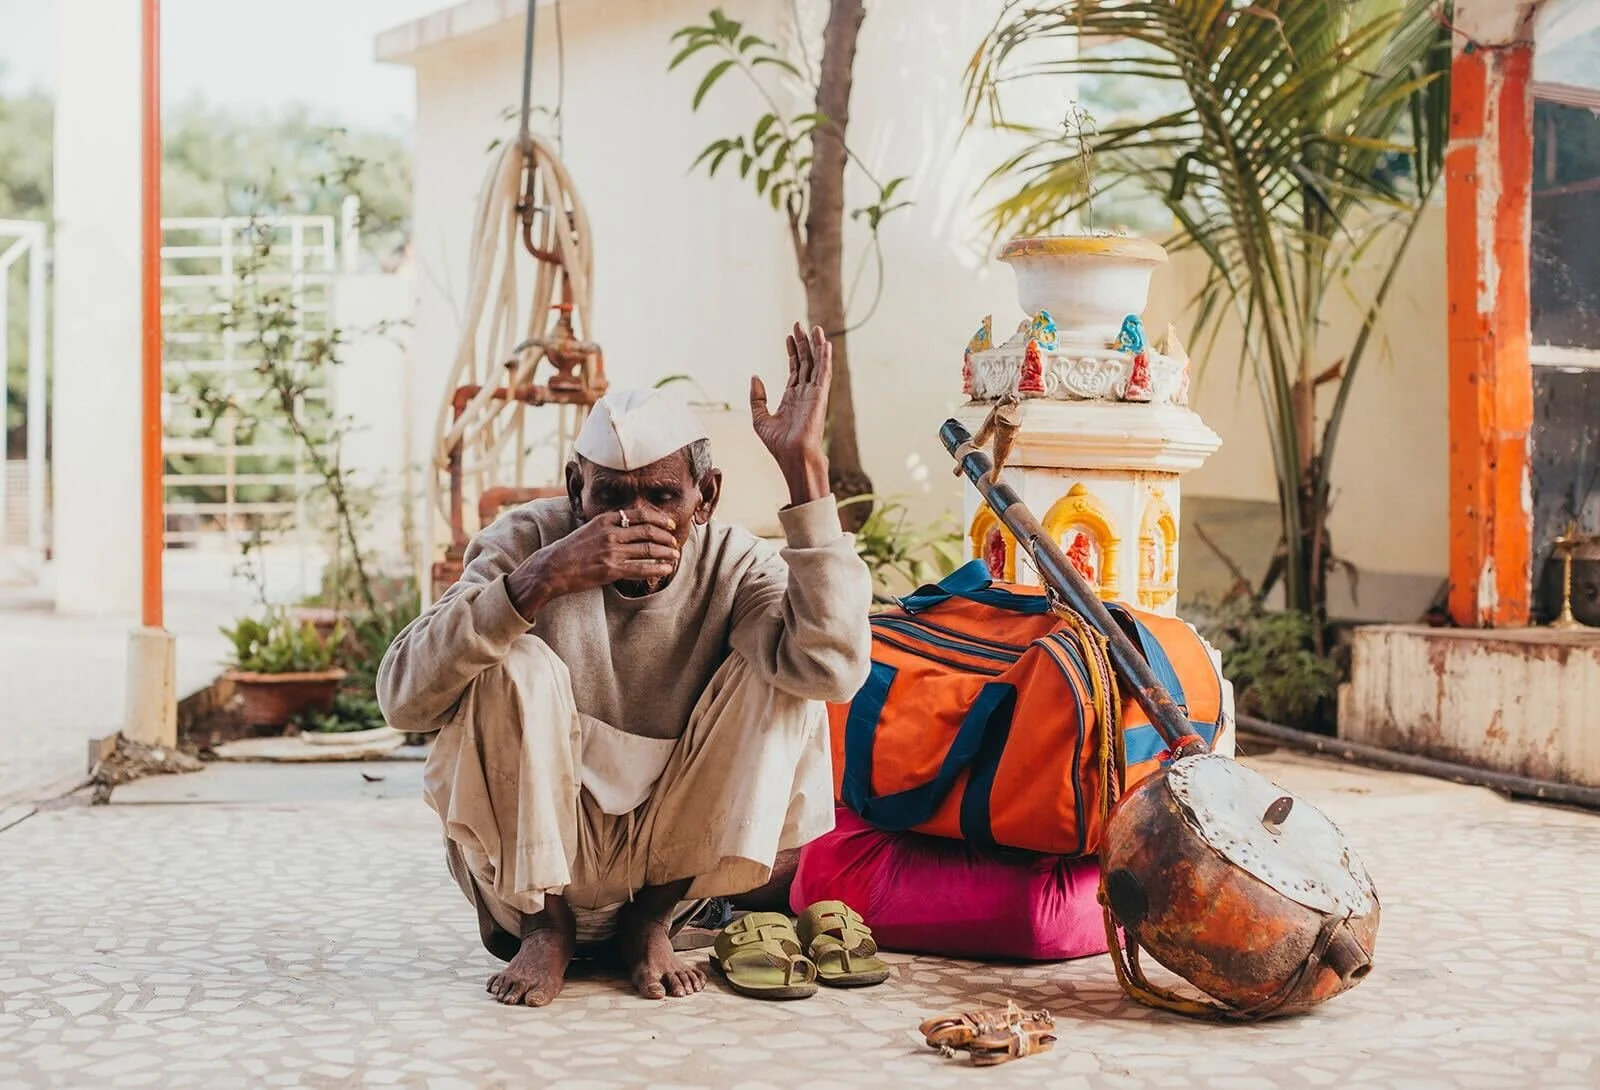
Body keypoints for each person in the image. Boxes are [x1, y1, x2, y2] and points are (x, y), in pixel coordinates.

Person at [377, 323, 872, 1006]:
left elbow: (832, 670)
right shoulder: (526, 540)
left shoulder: (734, 563)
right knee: (509, 656)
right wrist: (536, 582)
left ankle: (649, 923)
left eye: (662, 498)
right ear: (576, 487)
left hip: (669, 868)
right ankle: (547, 928)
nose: (633, 519)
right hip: (525, 880)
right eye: (610, 497)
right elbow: (403, 700)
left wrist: (804, 470)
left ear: (707, 497)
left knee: (780, 671)